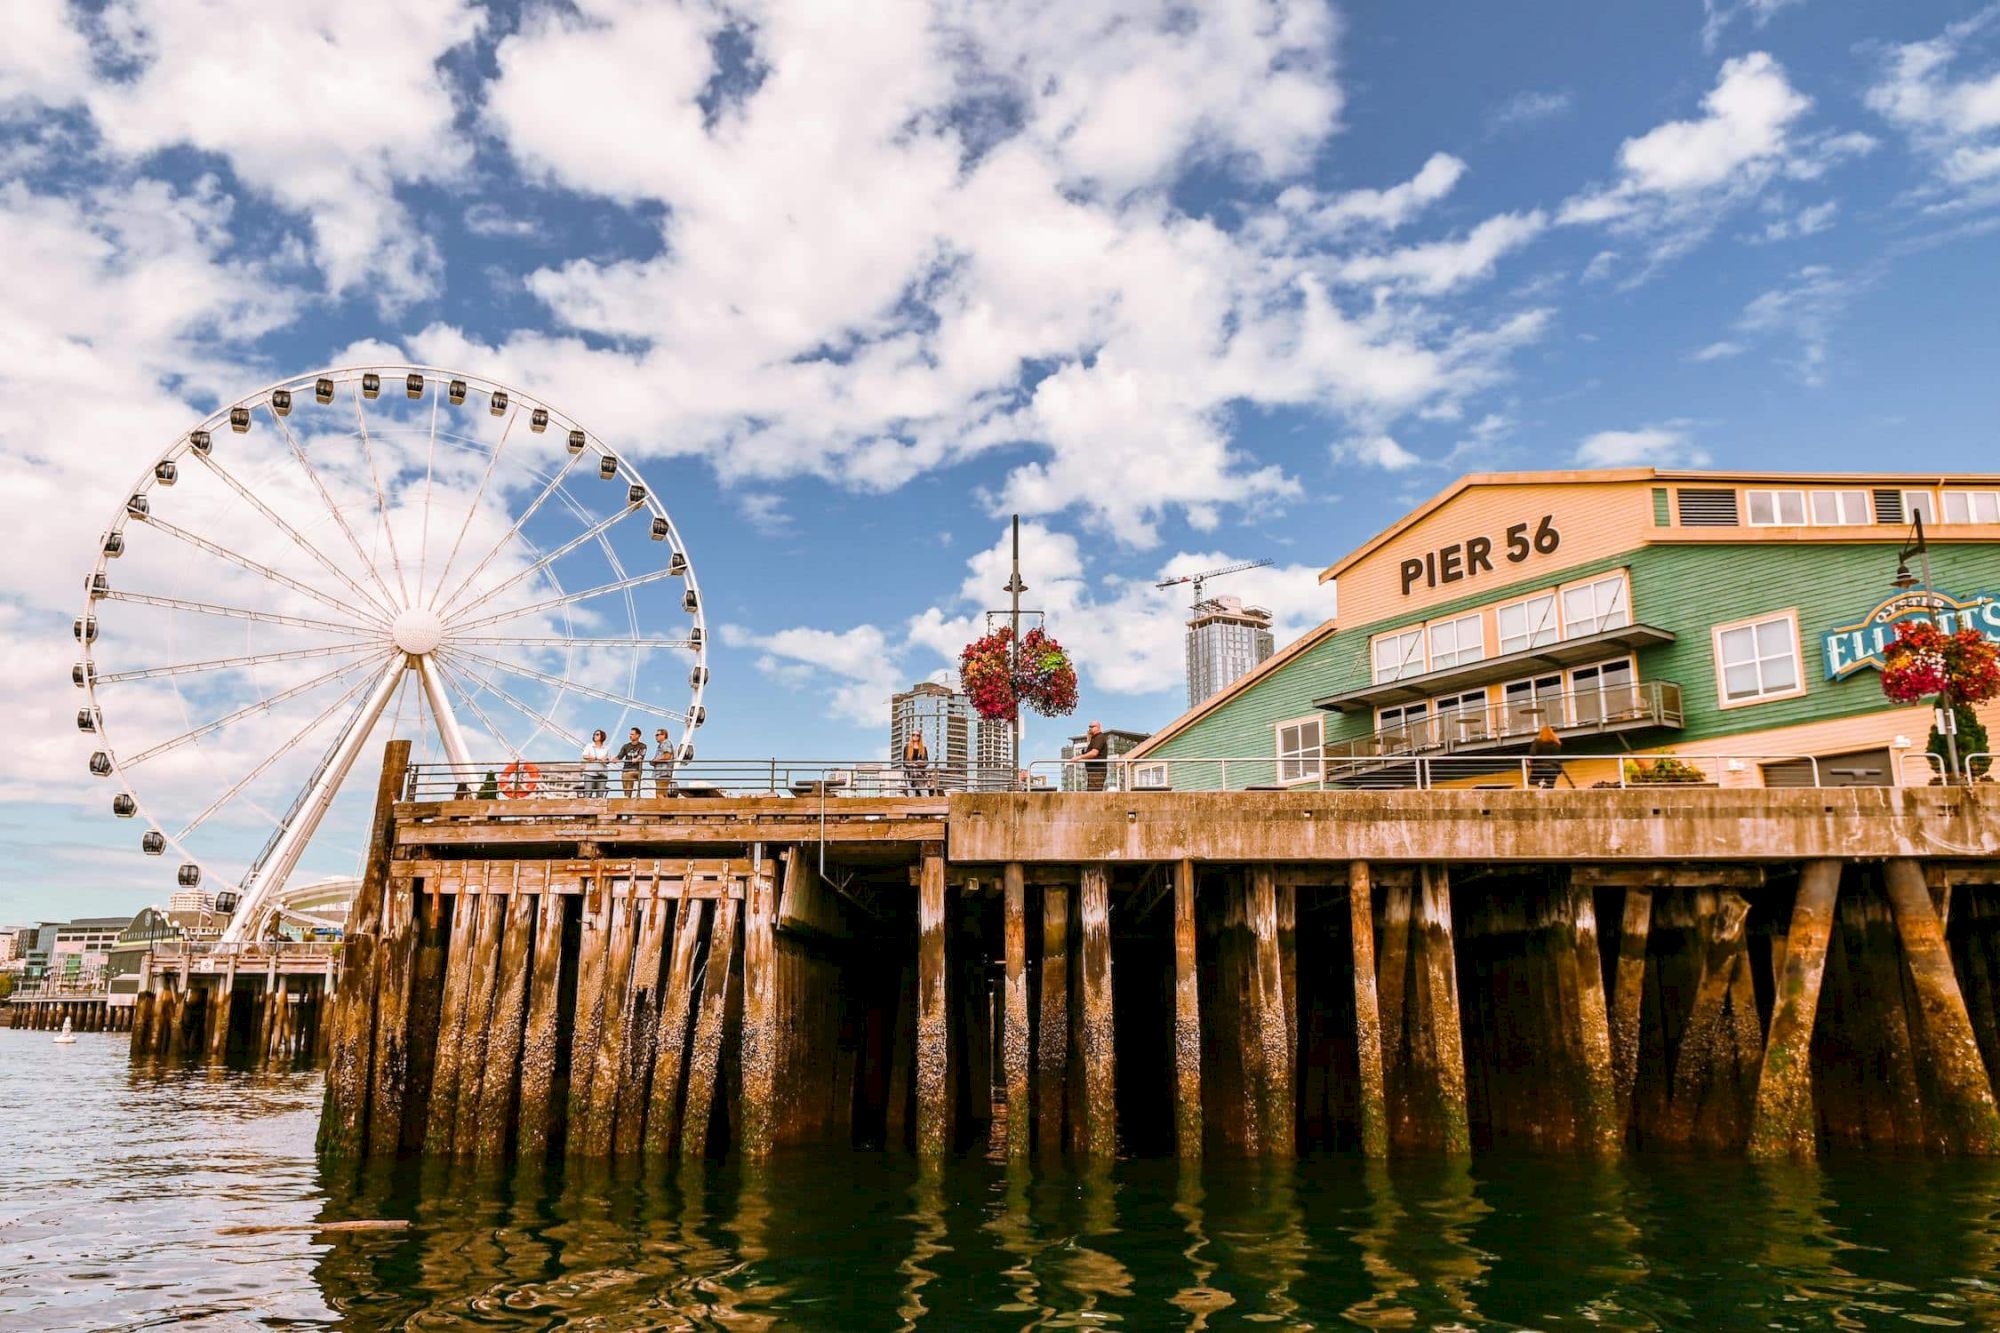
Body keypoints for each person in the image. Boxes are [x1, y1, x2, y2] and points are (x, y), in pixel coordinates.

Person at [1075, 720, 1110, 792]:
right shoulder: (1094, 738)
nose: (1090, 728)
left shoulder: (1099, 737)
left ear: (1098, 727)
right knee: (1091, 794)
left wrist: (1079, 757)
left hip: (1097, 771)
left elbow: (1094, 753)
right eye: (1089, 727)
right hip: (1093, 772)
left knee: (1094, 795)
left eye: (1092, 726)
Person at [1528, 725, 1564, 789]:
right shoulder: (1556, 743)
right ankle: (1547, 790)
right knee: (1550, 787)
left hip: (1540, 768)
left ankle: (1541, 784)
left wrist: (1529, 762)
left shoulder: (1537, 741)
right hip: (1553, 768)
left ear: (1541, 733)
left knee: (1532, 781)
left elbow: (1532, 753)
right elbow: (1557, 756)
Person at [617, 726, 648, 798]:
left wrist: (636, 759)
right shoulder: (626, 746)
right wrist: (612, 759)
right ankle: (627, 796)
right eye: (630, 734)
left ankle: (627, 797)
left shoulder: (643, 746)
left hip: (636, 770)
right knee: (625, 775)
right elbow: (619, 757)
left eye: (632, 734)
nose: (630, 736)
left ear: (638, 735)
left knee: (628, 775)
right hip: (626, 770)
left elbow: (641, 755)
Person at [580, 729, 610, 797]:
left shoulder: (606, 748)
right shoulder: (589, 746)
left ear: (602, 736)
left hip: (602, 774)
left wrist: (605, 760)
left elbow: (608, 760)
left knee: (600, 795)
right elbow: (585, 756)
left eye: (597, 734)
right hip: (590, 773)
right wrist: (598, 758)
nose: (595, 736)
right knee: (588, 794)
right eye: (594, 734)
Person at [902, 730, 931, 796]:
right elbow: (904, 762)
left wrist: (920, 763)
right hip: (910, 772)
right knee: (911, 794)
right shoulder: (907, 747)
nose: (915, 736)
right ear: (911, 736)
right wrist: (913, 764)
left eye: (917, 735)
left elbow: (926, 762)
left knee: (925, 794)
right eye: (913, 735)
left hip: (921, 773)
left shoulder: (923, 748)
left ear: (919, 737)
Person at [651, 727, 676, 797]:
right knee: (663, 794)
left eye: (657, 735)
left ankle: (666, 808)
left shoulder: (666, 743)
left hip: (663, 773)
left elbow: (667, 756)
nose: (656, 736)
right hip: (661, 773)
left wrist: (655, 760)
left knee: (659, 794)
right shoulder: (661, 745)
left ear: (663, 735)